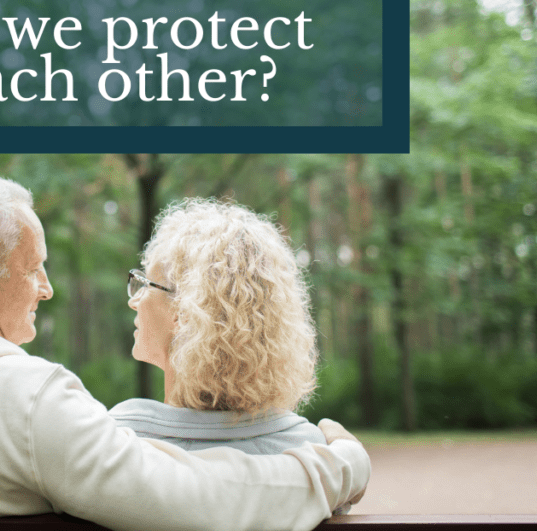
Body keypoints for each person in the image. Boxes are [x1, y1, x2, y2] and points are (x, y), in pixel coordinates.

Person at [0, 174, 369, 531]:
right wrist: (340, 464)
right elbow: (193, 501)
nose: (47, 287)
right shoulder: (27, 399)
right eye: (33, 266)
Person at [109, 199, 358, 512]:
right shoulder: (312, 456)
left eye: (145, 284)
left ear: (184, 311)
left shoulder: (119, 441)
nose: (136, 301)